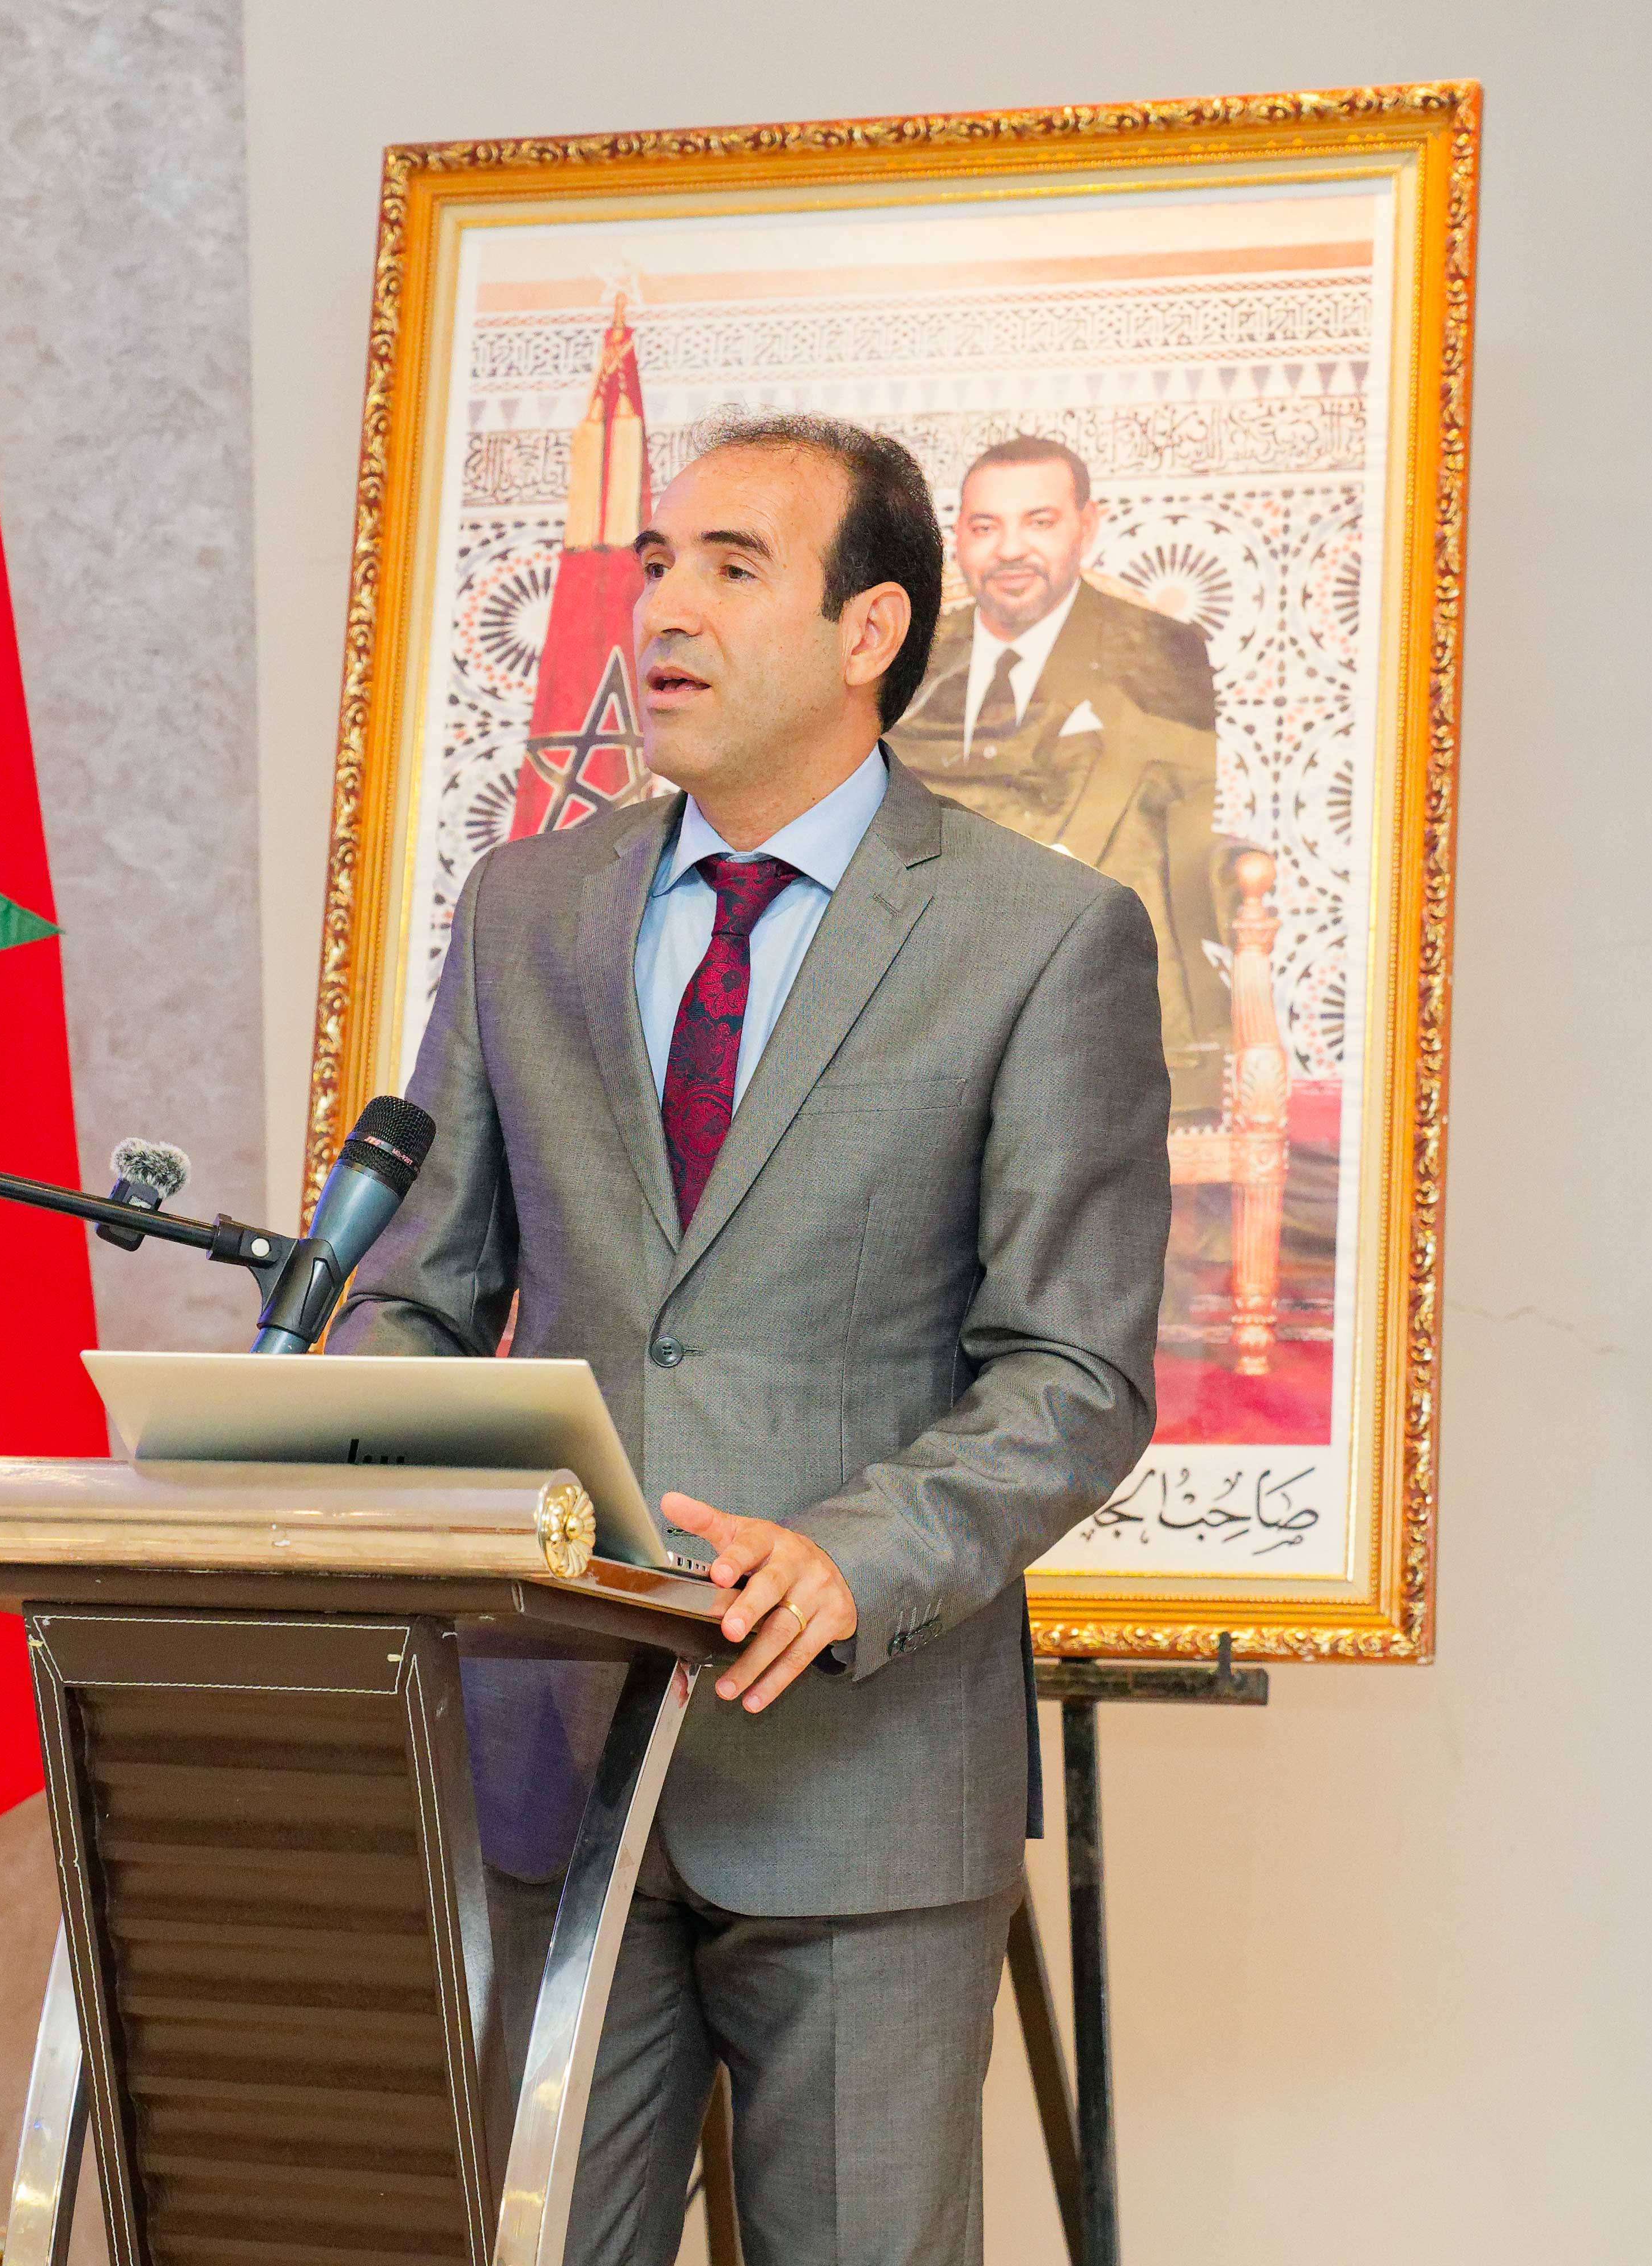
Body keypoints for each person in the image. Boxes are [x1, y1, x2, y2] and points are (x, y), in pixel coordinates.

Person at [328, 412, 1171, 2265]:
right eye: (656, 567)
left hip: (858, 1780)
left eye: (731, 569)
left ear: (871, 630)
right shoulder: (529, 909)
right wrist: (347, 1450)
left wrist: (857, 1557)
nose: (664, 613)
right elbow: (425, 1284)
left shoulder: (1044, 941)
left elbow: (1076, 1371)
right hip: (551, 1773)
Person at [886, 433, 1232, 1117]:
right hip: (928, 985)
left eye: (1039, 522)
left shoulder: (1157, 651)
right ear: (958, 539)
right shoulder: (913, 656)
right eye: (986, 527)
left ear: (1086, 527)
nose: (1010, 550)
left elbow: (1164, 829)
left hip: (1091, 981)